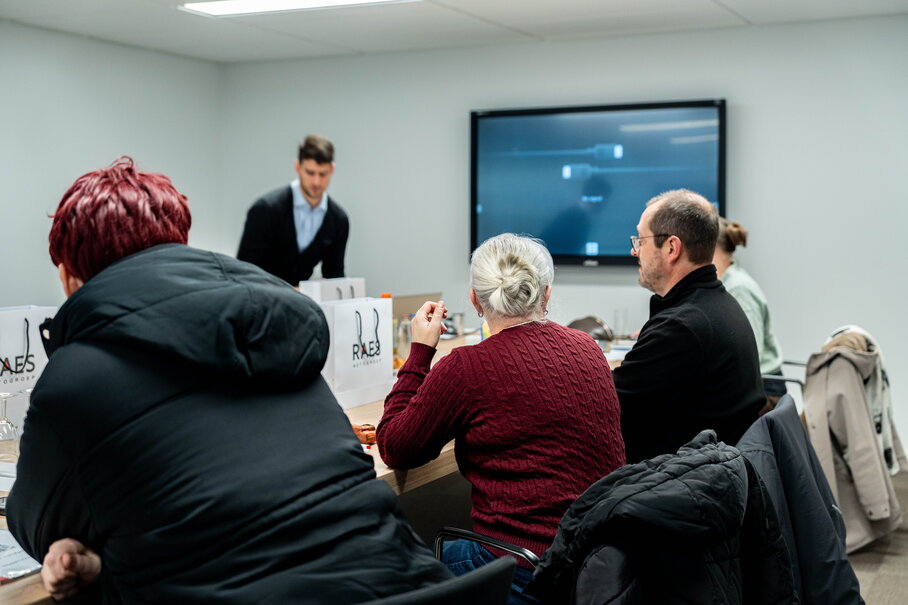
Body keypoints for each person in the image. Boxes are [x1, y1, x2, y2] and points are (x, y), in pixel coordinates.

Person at [7, 158, 449, 604]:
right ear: (177, 246)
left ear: (68, 278)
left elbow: (35, 524)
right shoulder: (272, 328)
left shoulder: (75, 378)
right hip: (413, 585)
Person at [377, 233, 625, 604]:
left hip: (526, 570)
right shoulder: (588, 347)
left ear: (475, 299)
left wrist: (419, 353)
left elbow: (395, 447)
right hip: (600, 559)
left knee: (396, 567)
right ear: (547, 294)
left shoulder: (464, 367)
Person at [612, 189, 765, 464]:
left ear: (672, 248)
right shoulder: (720, 304)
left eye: (641, 240)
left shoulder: (681, 328)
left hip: (672, 489)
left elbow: (607, 405)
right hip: (712, 479)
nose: (634, 251)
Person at [237, 134, 349, 285]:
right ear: (298, 167)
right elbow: (244, 273)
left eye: (323, 174)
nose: (316, 181)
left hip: (300, 304)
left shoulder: (338, 220)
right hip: (261, 302)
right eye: (310, 173)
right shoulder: (265, 210)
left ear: (332, 169)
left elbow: (334, 277)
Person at [713, 217, 786, 407]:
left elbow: (749, 355)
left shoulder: (738, 288)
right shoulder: (728, 282)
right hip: (756, 386)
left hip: (764, 392)